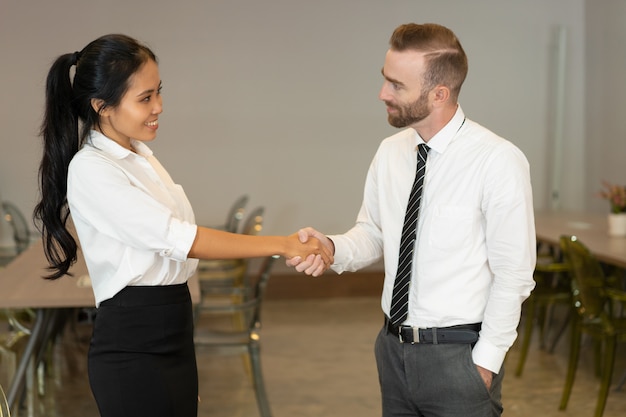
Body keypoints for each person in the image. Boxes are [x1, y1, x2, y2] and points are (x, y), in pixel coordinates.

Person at [33, 34, 332, 417]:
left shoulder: (138, 155)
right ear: (101, 106)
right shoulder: (92, 169)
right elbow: (182, 239)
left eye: (158, 92)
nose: (159, 106)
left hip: (171, 325)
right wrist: (284, 244)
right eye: (145, 98)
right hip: (134, 342)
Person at [287, 23, 536, 417]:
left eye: (397, 86)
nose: (382, 94)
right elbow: (373, 233)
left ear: (439, 94)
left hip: (459, 358)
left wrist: (485, 363)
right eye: (385, 80)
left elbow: (514, 275)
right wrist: (331, 247)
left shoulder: (497, 161)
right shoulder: (390, 153)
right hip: (392, 350)